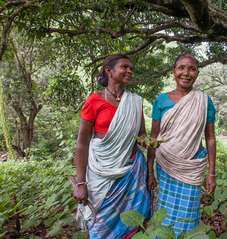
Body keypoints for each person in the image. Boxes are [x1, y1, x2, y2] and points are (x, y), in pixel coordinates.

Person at [72, 54, 150, 239]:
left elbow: (141, 136)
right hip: (101, 171)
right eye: (124, 67)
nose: (129, 71)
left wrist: (153, 142)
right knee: (100, 226)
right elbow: (82, 144)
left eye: (132, 68)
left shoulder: (135, 102)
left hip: (131, 171)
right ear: (109, 70)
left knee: (135, 222)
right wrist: (81, 182)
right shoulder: (94, 100)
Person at [147, 53, 217, 237]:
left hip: (191, 168)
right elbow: (153, 138)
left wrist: (211, 173)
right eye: (181, 68)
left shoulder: (204, 101)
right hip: (166, 165)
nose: (186, 72)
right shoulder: (161, 100)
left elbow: (210, 138)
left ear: (197, 73)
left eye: (192, 68)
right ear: (174, 72)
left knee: (189, 214)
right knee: (164, 214)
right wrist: (149, 170)